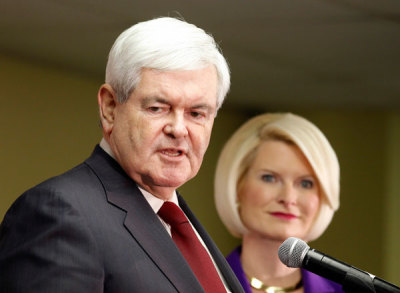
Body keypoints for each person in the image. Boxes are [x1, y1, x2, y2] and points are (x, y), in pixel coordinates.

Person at [0, 17, 244, 293]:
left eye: (197, 113)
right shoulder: (59, 212)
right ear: (110, 108)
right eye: (157, 108)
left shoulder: (180, 223)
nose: (179, 129)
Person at [214, 113, 345, 293]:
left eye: (306, 183)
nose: (288, 197)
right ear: (236, 187)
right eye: (269, 178)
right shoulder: (192, 286)